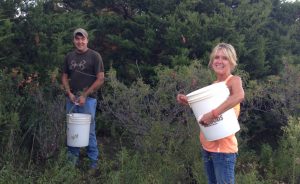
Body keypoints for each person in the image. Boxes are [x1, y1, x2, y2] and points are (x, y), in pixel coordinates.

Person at [177, 43, 244, 184]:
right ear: (212, 61)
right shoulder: (214, 85)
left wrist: (212, 114)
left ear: (232, 62)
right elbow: (206, 109)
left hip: (224, 150)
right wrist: (189, 101)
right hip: (207, 147)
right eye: (216, 57)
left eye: (225, 58)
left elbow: (238, 96)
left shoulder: (234, 81)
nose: (219, 61)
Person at [62, 28, 105, 169]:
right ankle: (71, 164)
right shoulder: (69, 56)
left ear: (87, 40)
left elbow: (100, 79)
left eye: (82, 39)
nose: (80, 41)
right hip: (72, 100)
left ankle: (93, 164)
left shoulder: (95, 56)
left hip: (89, 100)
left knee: (89, 131)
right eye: (77, 39)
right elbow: (64, 76)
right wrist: (69, 93)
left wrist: (85, 95)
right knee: (72, 130)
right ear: (74, 40)